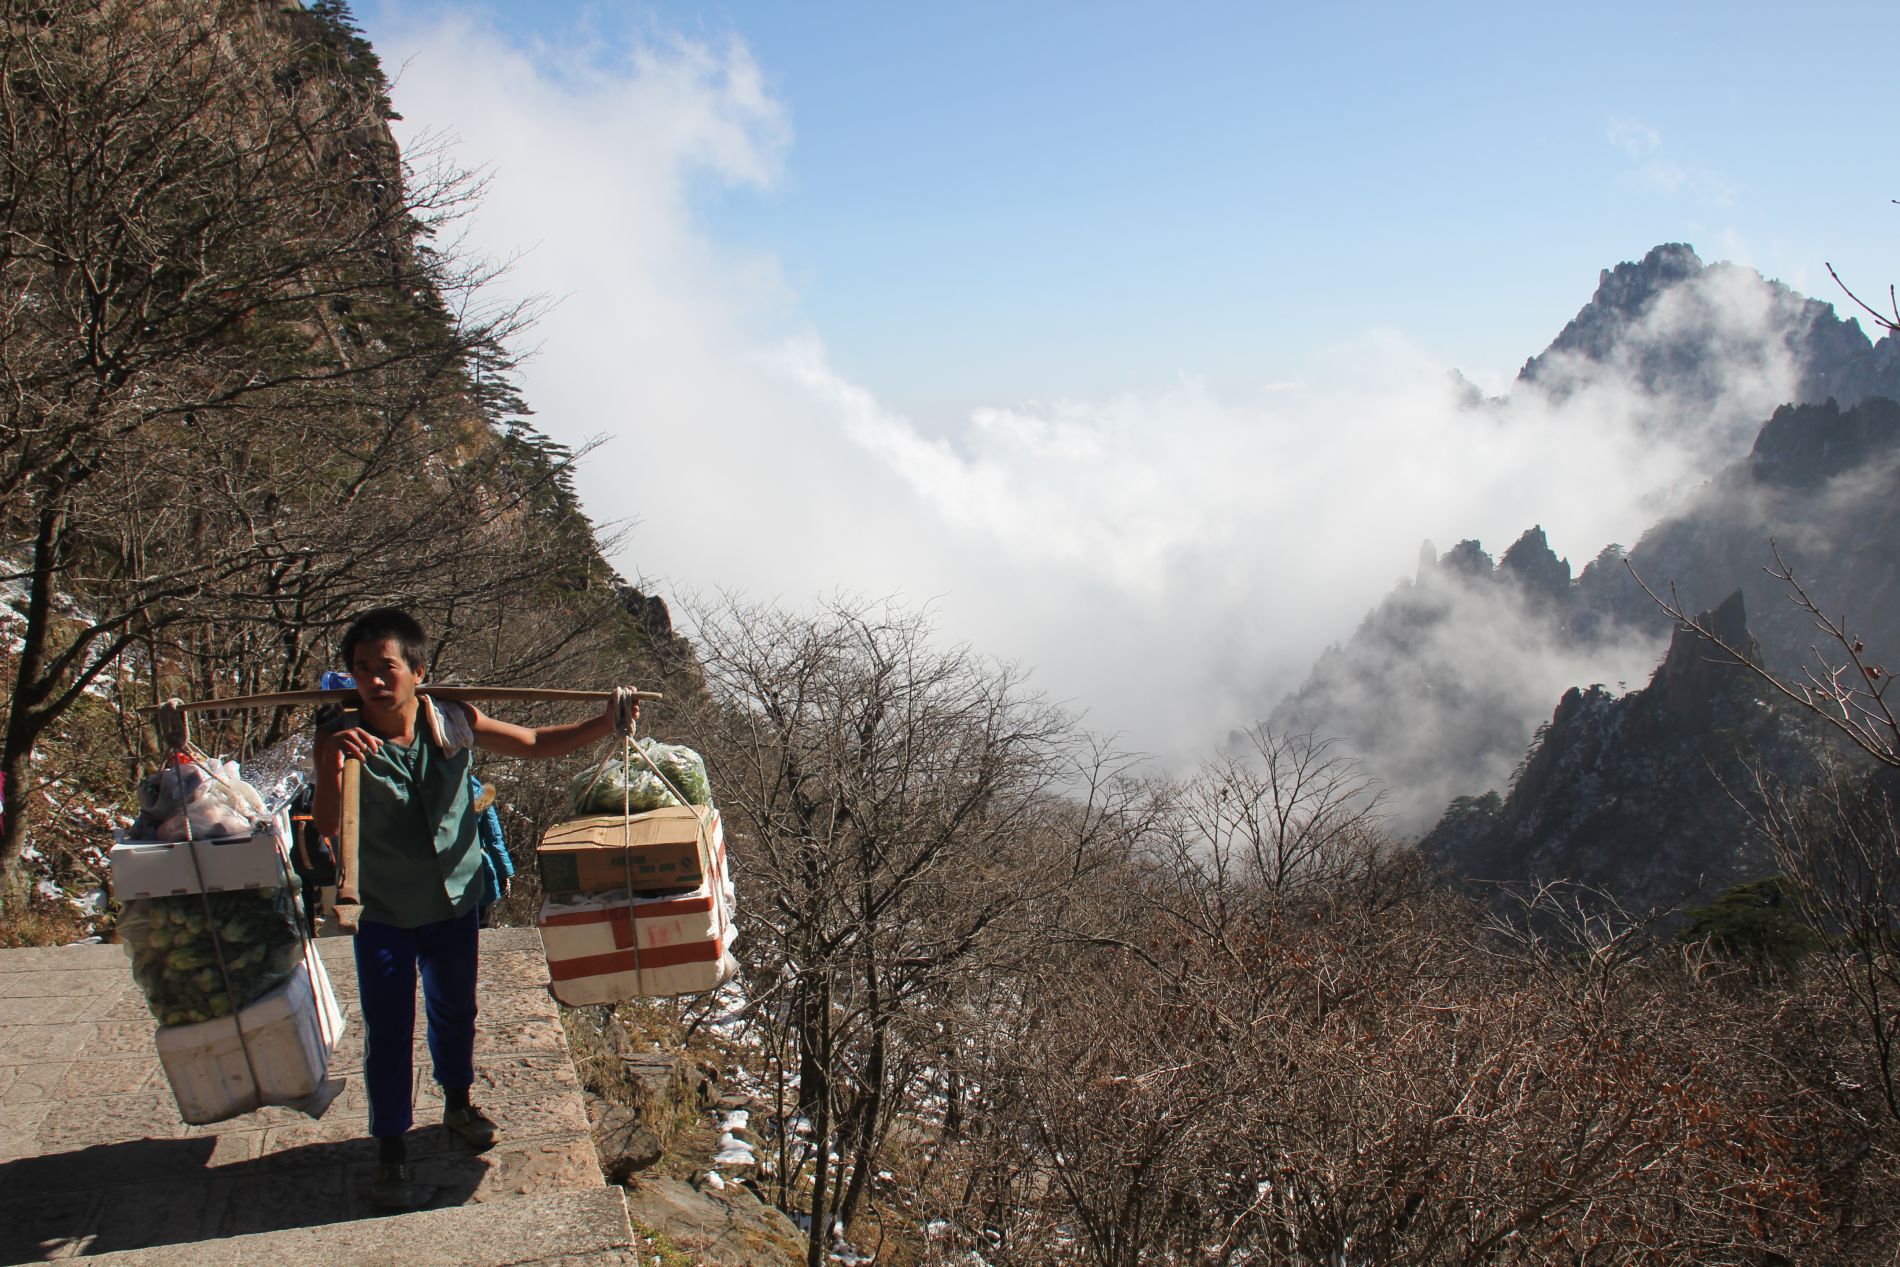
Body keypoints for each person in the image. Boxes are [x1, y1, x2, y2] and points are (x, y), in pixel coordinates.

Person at [313, 607, 632, 1211]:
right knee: (387, 1031)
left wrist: (605, 722)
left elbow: (534, 744)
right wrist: (328, 754)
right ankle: (390, 1147)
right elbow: (329, 826)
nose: (375, 682)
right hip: (383, 909)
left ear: (417, 670)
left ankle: (457, 1103)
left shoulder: (451, 720)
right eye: (361, 670)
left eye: (387, 668)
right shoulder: (345, 738)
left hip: (455, 900)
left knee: (456, 1009)